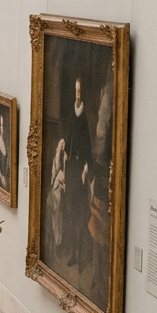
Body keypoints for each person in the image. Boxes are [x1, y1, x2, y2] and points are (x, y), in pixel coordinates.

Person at [64, 77, 93, 271]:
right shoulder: (71, 112)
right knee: (72, 213)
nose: (77, 94)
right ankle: (74, 253)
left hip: (82, 169)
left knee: (82, 216)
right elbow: (68, 138)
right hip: (71, 170)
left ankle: (83, 257)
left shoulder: (86, 116)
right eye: (76, 91)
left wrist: (86, 167)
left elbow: (89, 146)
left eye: (80, 91)